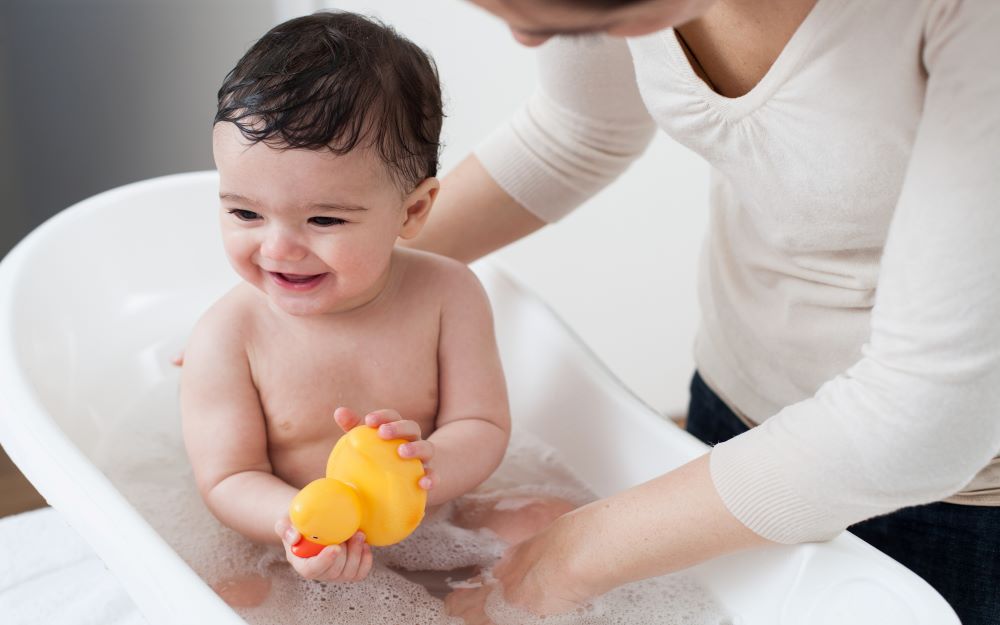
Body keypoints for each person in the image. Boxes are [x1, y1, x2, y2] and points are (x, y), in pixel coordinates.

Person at [414, 1, 1000, 624]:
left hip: (962, 500)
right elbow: (580, 128)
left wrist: (565, 560)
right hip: (733, 418)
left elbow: (923, 425)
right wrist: (336, 274)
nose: (526, 37)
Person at [181, 11, 544, 586]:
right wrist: (297, 525)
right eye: (245, 212)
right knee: (226, 589)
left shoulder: (449, 294)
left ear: (414, 210)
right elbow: (228, 479)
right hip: (284, 544)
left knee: (542, 525)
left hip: (431, 519)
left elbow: (480, 423)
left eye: (323, 218)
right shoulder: (229, 335)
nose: (278, 247)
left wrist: (431, 467)